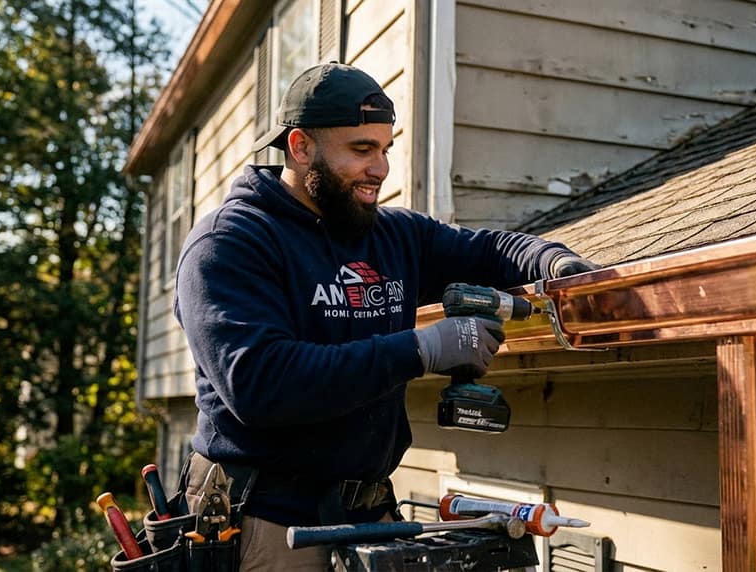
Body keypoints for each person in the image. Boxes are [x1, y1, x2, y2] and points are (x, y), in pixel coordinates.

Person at [173, 63, 598, 571]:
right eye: (361, 149)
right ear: (300, 146)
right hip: (266, 523)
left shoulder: (393, 236)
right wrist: (423, 348)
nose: (380, 168)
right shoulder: (232, 242)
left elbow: (488, 251)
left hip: (370, 516)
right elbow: (262, 384)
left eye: (385, 149)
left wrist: (556, 265)